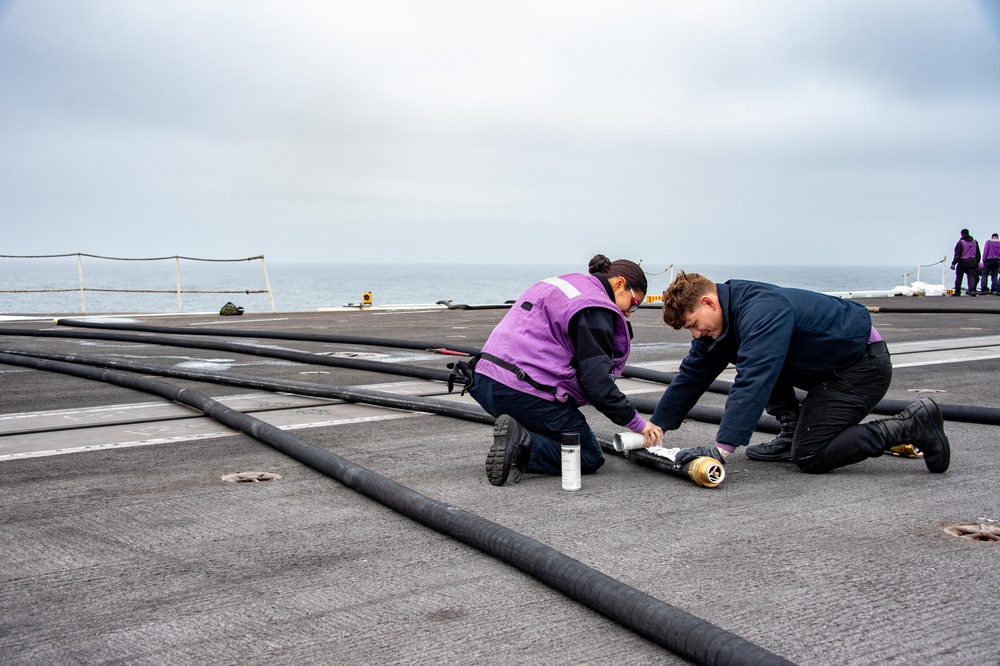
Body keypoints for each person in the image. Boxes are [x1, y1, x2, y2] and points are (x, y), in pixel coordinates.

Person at [647, 271, 950, 475]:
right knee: (750, 356)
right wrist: (655, 427)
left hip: (860, 366)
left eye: (694, 324)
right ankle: (793, 432)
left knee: (811, 455)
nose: (696, 334)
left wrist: (721, 450)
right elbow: (691, 376)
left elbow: (755, 377)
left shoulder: (761, 310)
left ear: (708, 302)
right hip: (821, 367)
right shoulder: (719, 324)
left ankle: (911, 424)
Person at [454, 255, 663, 486]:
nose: (628, 313)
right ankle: (523, 444)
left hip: (483, 381)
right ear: (619, 283)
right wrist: (639, 424)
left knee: (555, 427)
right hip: (521, 392)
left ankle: (517, 437)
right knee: (589, 456)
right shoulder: (595, 306)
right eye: (633, 303)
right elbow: (598, 384)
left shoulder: (566, 284)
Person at [951, 229, 981, 297]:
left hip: (962, 261)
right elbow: (978, 254)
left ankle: (957, 291)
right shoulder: (975, 242)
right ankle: (972, 290)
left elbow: (957, 254)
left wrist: (954, 263)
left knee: (959, 277)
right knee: (971, 277)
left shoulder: (960, 242)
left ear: (961, 234)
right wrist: (977, 262)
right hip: (972, 262)